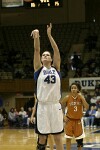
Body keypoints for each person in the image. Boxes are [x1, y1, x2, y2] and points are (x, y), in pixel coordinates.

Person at [30, 23, 64, 150]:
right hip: (42, 106)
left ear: (51, 59)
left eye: (47, 55)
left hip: (55, 106)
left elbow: (56, 50)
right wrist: (37, 37)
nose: (45, 56)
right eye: (43, 55)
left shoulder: (56, 68)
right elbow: (36, 50)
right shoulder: (38, 69)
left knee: (57, 137)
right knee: (42, 137)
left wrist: (49, 35)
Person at [60, 82, 89, 150]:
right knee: (68, 138)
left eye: (75, 88)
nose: (73, 89)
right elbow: (59, 106)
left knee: (79, 141)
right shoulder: (67, 97)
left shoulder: (81, 97)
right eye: (72, 88)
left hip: (78, 121)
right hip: (69, 120)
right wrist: (63, 116)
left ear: (78, 89)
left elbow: (87, 107)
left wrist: (82, 98)